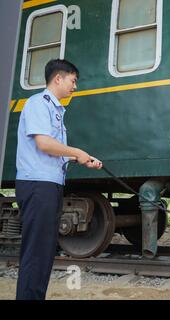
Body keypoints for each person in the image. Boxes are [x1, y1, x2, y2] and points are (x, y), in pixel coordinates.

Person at [15, 59, 103, 300]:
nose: (75, 86)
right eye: (73, 81)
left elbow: (54, 151)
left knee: (43, 252)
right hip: (37, 185)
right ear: (58, 78)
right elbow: (44, 144)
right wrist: (77, 152)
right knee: (36, 252)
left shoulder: (54, 109)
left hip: (48, 185)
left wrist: (80, 159)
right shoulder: (37, 104)